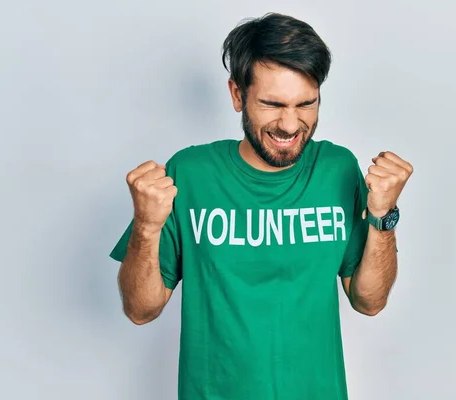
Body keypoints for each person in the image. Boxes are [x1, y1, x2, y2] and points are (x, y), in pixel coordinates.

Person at [109, 12, 413, 400]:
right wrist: (147, 226)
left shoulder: (337, 169)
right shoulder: (190, 173)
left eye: (306, 104)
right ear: (237, 95)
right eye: (272, 104)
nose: (290, 125)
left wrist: (383, 216)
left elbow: (369, 301)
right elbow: (141, 309)